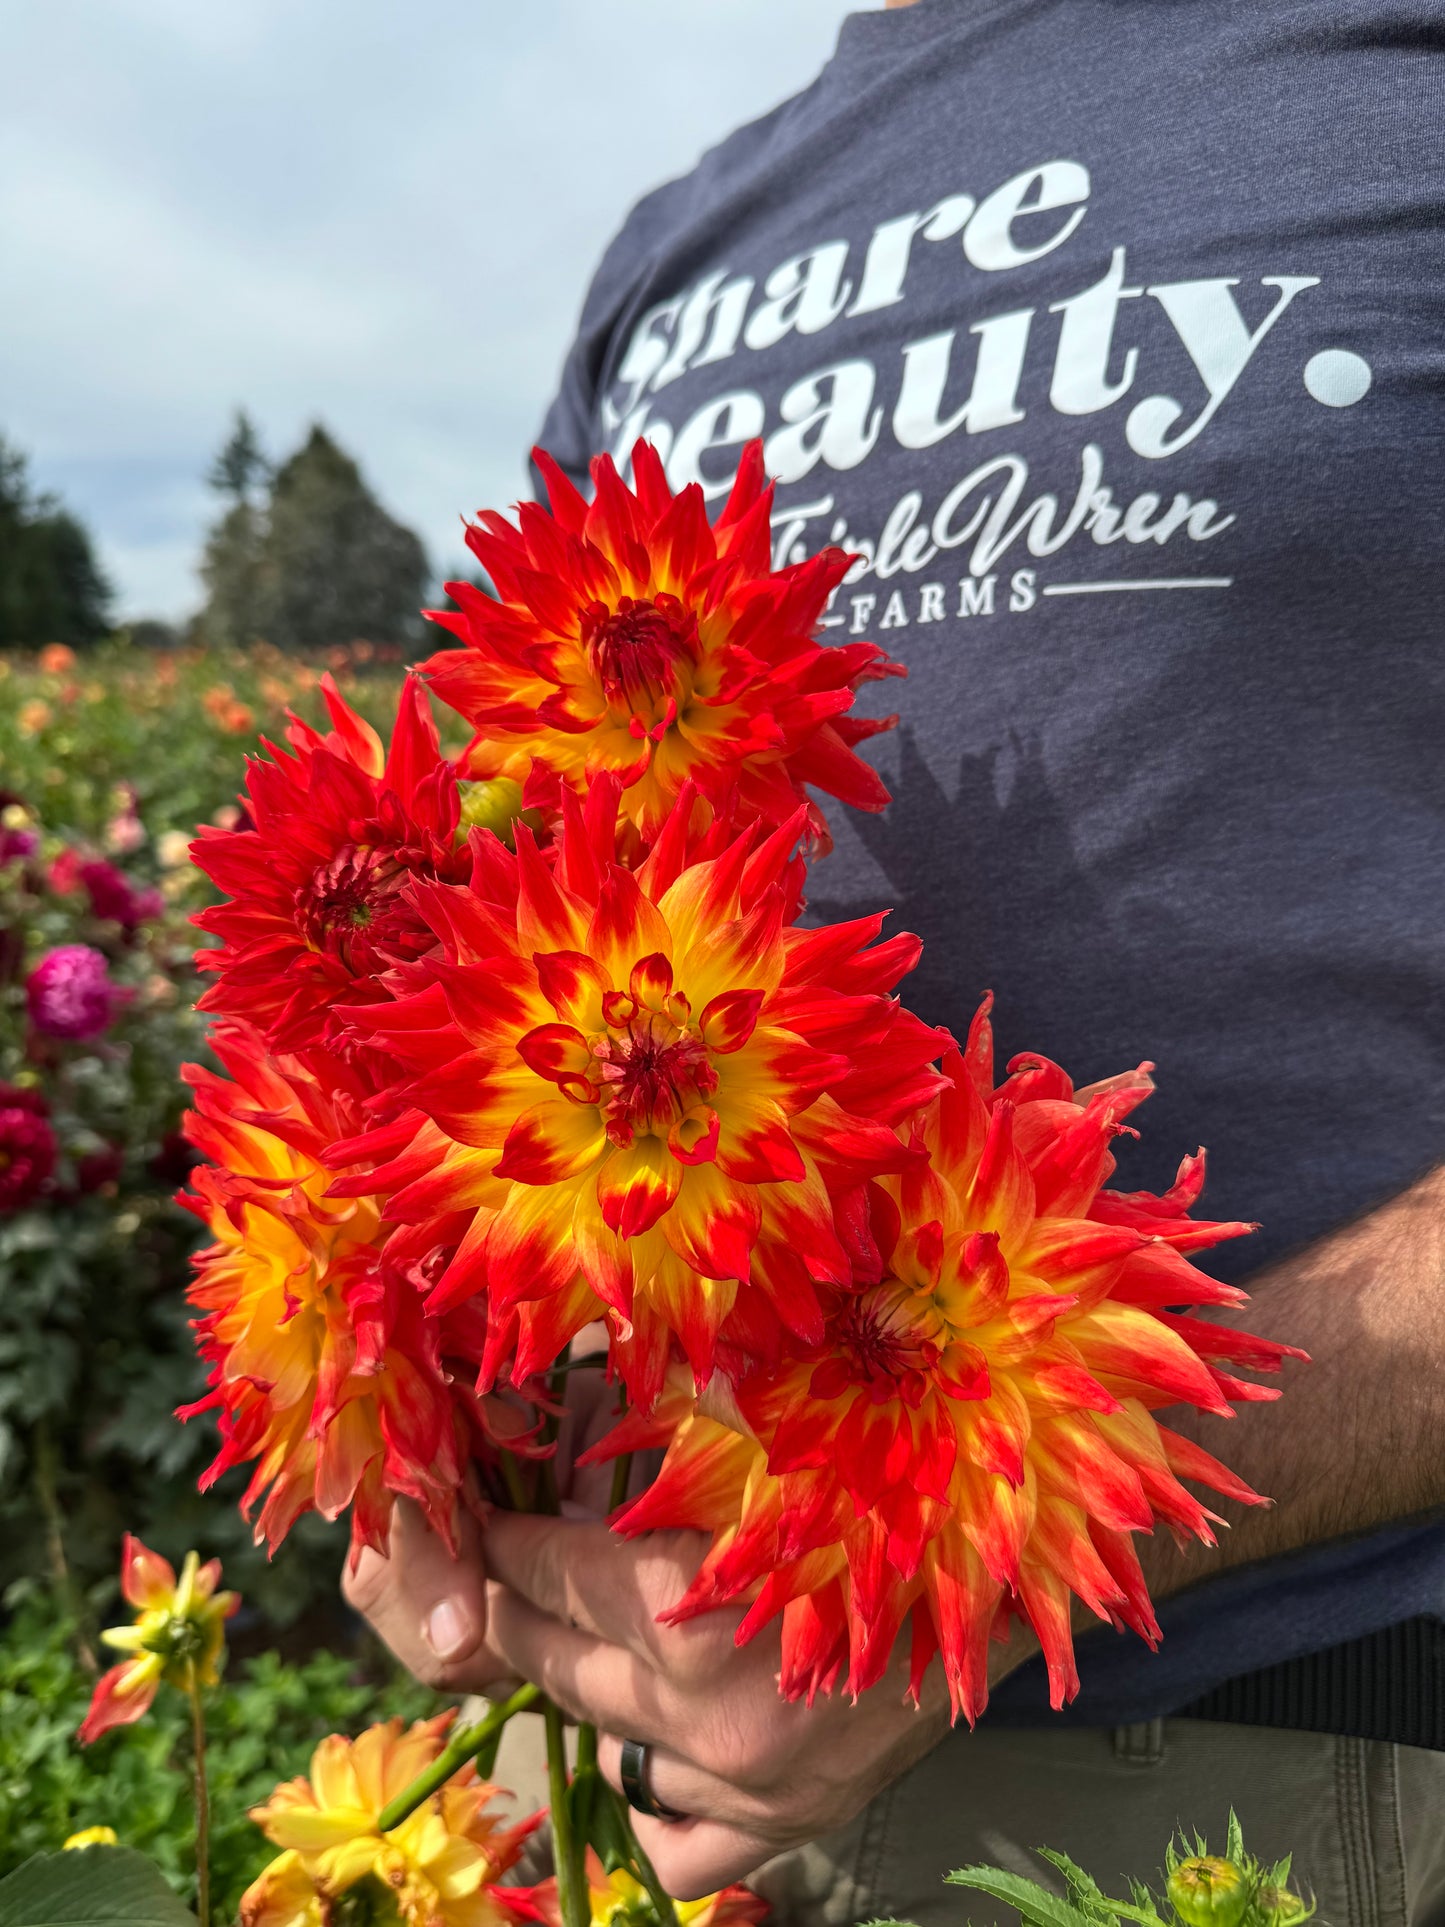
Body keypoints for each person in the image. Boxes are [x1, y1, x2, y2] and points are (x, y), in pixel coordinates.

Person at [349, 0, 1445, 1915]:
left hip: (1252, 1749)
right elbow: (490, 894)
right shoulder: (681, 237)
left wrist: (992, 1530)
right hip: (607, 1739)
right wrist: (405, 1387)